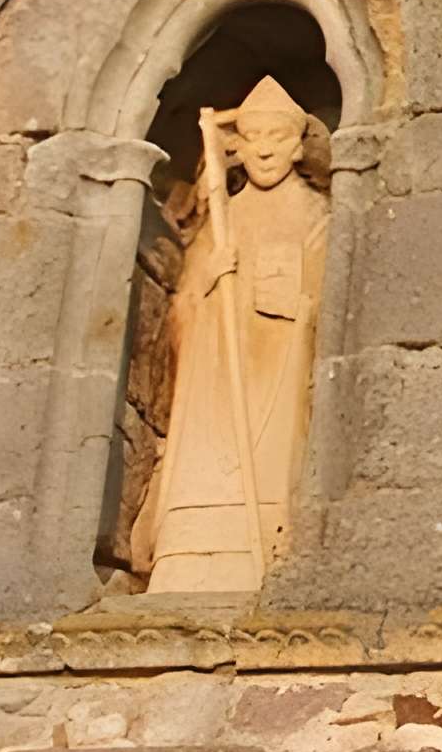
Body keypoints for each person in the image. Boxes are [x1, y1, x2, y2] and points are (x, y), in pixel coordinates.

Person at [134, 76, 331, 591]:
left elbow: (331, 305)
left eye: (277, 137)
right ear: (237, 147)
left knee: (278, 468)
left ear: (297, 144)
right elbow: (181, 314)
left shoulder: (318, 218)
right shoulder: (223, 219)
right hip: (216, 381)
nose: (265, 148)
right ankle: (189, 553)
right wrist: (209, 283)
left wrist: (292, 299)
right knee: (204, 472)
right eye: (254, 136)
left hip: (281, 371)